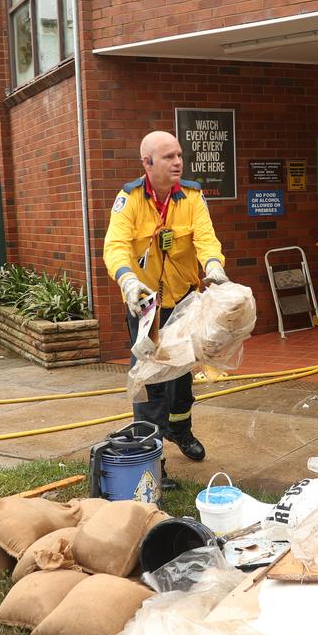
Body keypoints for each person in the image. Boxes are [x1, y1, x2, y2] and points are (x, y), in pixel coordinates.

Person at [103, 130, 229, 462]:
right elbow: (114, 248)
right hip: (145, 305)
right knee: (149, 378)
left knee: (182, 376)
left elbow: (205, 238)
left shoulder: (191, 196)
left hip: (184, 300)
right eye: (169, 157)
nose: (178, 162)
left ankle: (180, 430)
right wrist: (128, 282)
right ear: (147, 163)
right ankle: (149, 450)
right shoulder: (129, 200)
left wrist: (213, 264)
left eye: (179, 155)